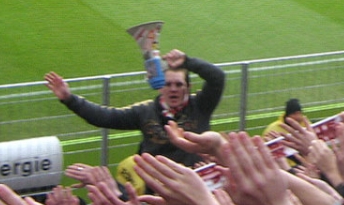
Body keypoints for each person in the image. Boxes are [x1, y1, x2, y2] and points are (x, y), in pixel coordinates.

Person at [45, 49, 225, 168]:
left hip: (198, 182)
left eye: (179, 84)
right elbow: (104, 117)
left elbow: (217, 78)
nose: (173, 89)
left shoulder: (200, 105)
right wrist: (69, 99)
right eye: (168, 84)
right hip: (157, 188)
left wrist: (188, 62)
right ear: (160, 87)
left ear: (188, 87)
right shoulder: (145, 111)